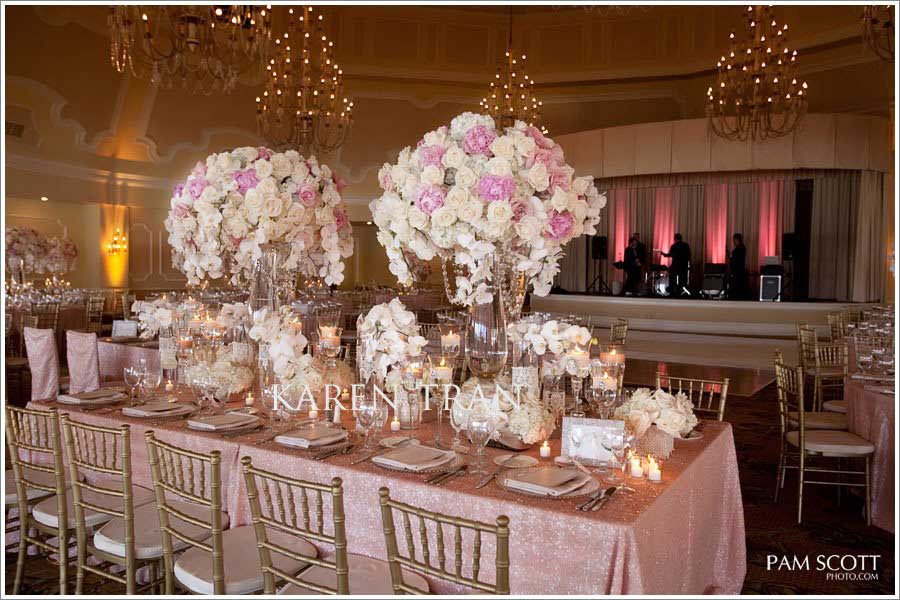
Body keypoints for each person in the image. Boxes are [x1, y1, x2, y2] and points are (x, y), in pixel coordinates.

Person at [728, 233, 748, 299]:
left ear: (737, 240)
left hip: (738, 272)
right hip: (739, 271)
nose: (733, 242)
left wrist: (730, 255)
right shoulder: (742, 248)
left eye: (734, 240)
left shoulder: (740, 249)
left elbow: (735, 260)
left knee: (737, 288)